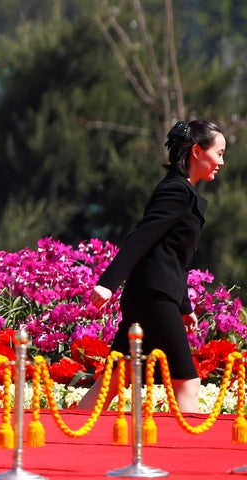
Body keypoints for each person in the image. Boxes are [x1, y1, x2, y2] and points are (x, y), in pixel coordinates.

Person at [78, 119, 225, 413]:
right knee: (187, 383)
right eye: (219, 153)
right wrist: (107, 284)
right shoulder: (176, 191)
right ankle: (189, 455)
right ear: (197, 151)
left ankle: (70, 434)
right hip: (153, 298)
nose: (222, 161)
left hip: (152, 294)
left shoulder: (183, 192)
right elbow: (141, 237)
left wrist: (184, 306)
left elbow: (174, 256)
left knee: (115, 378)